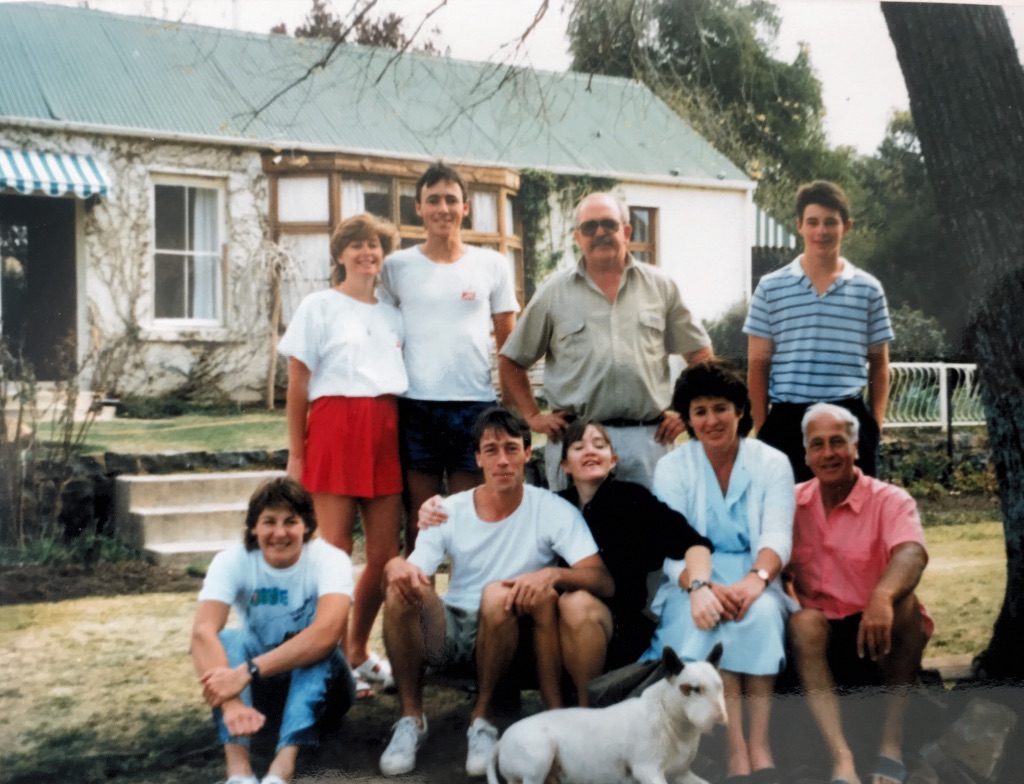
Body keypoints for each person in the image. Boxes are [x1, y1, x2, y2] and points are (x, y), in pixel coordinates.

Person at [377, 407, 613, 778]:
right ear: (477, 458)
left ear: (526, 452)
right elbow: (414, 572)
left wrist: (551, 574)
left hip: (511, 634)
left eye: (510, 448)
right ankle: (411, 719)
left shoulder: (550, 508)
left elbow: (601, 580)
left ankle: (482, 718)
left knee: (495, 596)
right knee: (399, 593)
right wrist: (396, 569)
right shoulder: (448, 510)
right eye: (491, 450)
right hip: (451, 630)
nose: (502, 460)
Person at [640, 359, 795, 784]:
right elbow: (673, 549)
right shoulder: (674, 467)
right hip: (690, 577)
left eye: (721, 407)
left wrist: (755, 582)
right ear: (687, 418)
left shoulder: (772, 462)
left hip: (756, 571)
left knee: (758, 615)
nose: (712, 420)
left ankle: (759, 746)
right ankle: (734, 750)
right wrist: (700, 588)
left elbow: (778, 537)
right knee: (711, 623)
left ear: (741, 410)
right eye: (700, 411)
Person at [499, 191, 713, 491]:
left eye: (608, 224)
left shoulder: (660, 287)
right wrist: (533, 416)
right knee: (575, 533)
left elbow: (700, 353)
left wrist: (687, 411)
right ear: (578, 237)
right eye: (589, 227)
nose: (599, 232)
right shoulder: (555, 292)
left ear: (626, 231)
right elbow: (511, 359)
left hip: (647, 442)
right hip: (576, 441)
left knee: (650, 532)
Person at [277, 212, 405, 699]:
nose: (367, 253)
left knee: (382, 555)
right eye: (357, 245)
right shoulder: (319, 306)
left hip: (385, 428)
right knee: (333, 552)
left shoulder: (393, 314)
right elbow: (299, 383)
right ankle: (326, 660)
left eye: (375, 245)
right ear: (340, 254)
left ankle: (357, 650)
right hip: (334, 426)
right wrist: (297, 451)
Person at [377, 162, 519, 552]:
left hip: (474, 408)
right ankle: (420, 614)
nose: (443, 208)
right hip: (416, 407)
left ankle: (464, 612)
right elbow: (381, 336)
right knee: (420, 522)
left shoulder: (491, 264)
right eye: (433, 200)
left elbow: (510, 344)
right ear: (418, 208)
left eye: (451, 200)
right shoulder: (396, 267)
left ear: (466, 207)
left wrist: (510, 416)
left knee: (468, 520)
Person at [786, 403, 930, 784]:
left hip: (875, 631)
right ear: (806, 455)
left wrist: (881, 596)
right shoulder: (790, 502)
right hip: (820, 638)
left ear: (856, 448)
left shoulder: (890, 499)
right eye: (817, 445)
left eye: (838, 442)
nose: (828, 453)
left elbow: (912, 552)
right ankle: (842, 759)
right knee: (803, 623)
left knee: (908, 607)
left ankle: (890, 746)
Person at [190, 477, 356, 784]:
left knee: (314, 648)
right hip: (259, 692)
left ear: (307, 526)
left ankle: (282, 768)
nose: (279, 533)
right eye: (269, 522)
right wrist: (231, 701)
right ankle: (238, 771)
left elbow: (326, 634)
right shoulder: (232, 561)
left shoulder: (331, 559)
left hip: (326, 690)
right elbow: (202, 632)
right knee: (227, 638)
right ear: (253, 527)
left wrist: (246, 672)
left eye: (290, 522)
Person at [744, 180, 894, 482]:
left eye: (830, 222)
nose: (821, 231)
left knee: (854, 519)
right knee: (790, 519)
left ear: (846, 226)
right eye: (812, 222)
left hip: (847, 417)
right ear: (799, 225)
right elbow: (758, 365)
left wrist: (874, 426)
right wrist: (764, 430)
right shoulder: (771, 288)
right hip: (787, 420)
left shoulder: (868, 289)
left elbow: (880, 364)